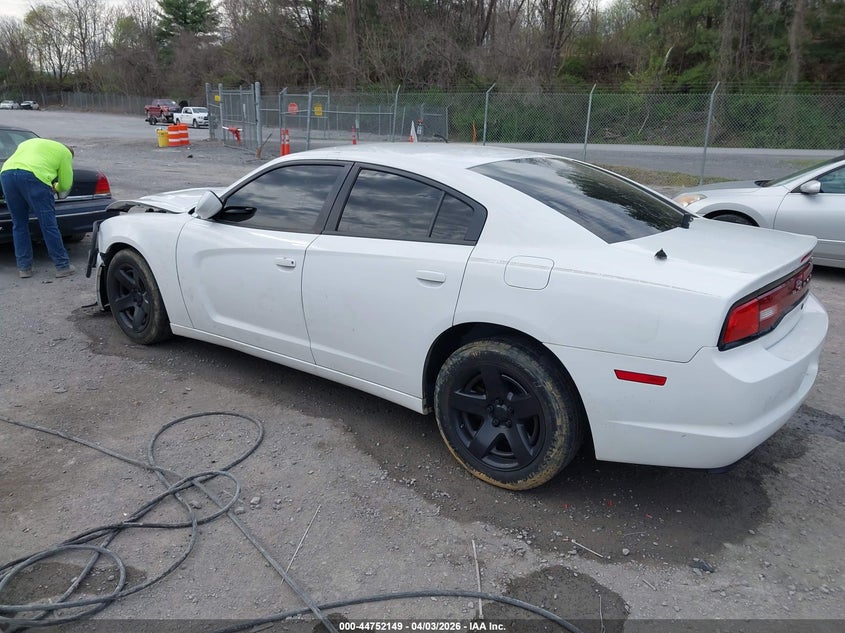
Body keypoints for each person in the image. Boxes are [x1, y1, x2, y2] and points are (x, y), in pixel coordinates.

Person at [0, 138, 76, 278]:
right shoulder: (65, 153)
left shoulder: (30, 142)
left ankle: (24, 268)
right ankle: (62, 266)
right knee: (48, 225)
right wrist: (55, 187)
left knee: (19, 224)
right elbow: (65, 184)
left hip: (6, 174)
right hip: (34, 177)